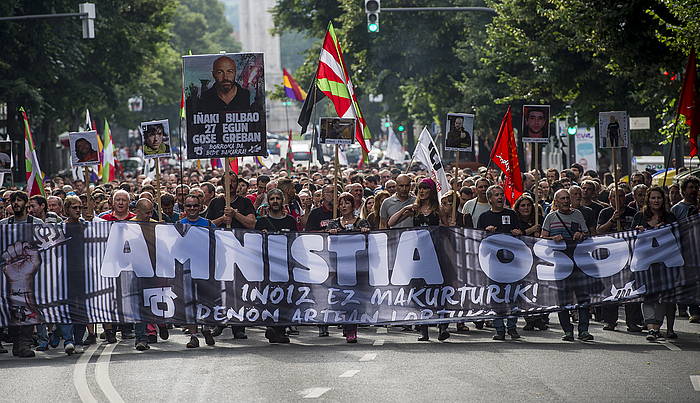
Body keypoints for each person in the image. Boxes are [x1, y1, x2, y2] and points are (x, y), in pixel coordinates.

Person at [388, 178, 450, 341]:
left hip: (436, 253)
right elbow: (391, 222)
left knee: (439, 290)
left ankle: (442, 325)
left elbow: (448, 230)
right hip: (417, 256)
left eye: (425, 188)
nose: (422, 192)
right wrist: (405, 209)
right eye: (420, 189)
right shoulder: (414, 209)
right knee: (420, 291)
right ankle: (424, 329)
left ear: (431, 191)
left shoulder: (438, 210)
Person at [204, 172, 255, 340]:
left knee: (239, 288)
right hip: (220, 252)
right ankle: (219, 322)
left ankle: (239, 326)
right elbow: (207, 225)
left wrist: (235, 215)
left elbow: (251, 223)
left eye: (233, 182)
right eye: (227, 182)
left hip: (241, 251)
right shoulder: (215, 202)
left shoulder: (245, 202)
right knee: (220, 288)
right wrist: (222, 218)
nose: (231, 185)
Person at [541, 189, 594, 342]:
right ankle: (567, 331)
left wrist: (581, 235)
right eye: (562, 198)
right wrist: (552, 238)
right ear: (556, 201)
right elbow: (542, 239)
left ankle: (583, 330)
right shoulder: (550, 217)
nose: (565, 201)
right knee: (563, 299)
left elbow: (587, 234)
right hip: (560, 265)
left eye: (567, 198)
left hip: (579, 264)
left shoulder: (578, 214)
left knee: (583, 298)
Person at [0, 191, 45, 358]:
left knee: (28, 308)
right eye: (13, 201)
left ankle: (24, 344)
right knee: (11, 308)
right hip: (8, 274)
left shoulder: (37, 223)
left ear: (26, 203)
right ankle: (16, 342)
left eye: (19, 200)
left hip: (32, 274)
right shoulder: (4, 224)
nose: (16, 203)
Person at [476, 185, 522, 341]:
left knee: (513, 296)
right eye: (496, 195)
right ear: (490, 199)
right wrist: (485, 233)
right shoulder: (484, 217)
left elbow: (522, 237)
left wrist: (518, 233)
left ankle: (512, 327)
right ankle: (499, 328)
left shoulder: (512, 214)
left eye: (501, 194)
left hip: (512, 263)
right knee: (497, 296)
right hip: (494, 265)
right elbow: (478, 241)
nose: (500, 197)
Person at [632, 186, 678, 341]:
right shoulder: (640, 216)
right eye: (653, 198)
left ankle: (657, 326)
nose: (656, 201)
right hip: (646, 264)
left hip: (665, 264)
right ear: (648, 200)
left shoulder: (670, 217)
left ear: (663, 200)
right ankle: (652, 328)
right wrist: (638, 232)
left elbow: (678, 236)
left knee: (663, 295)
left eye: (659, 198)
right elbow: (630, 238)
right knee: (648, 295)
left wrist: (664, 229)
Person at [326, 192, 370, 343]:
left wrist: (365, 233)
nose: (343, 206)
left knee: (355, 300)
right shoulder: (333, 223)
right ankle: (346, 324)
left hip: (357, 269)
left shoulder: (362, 223)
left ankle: (352, 329)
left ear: (353, 205)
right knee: (341, 299)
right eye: (341, 203)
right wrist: (330, 234)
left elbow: (369, 243)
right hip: (338, 268)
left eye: (347, 203)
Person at [671, 176, 700, 323]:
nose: (694, 190)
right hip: (686, 251)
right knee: (690, 281)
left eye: (696, 187)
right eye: (690, 187)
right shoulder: (677, 209)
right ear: (683, 190)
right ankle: (693, 309)